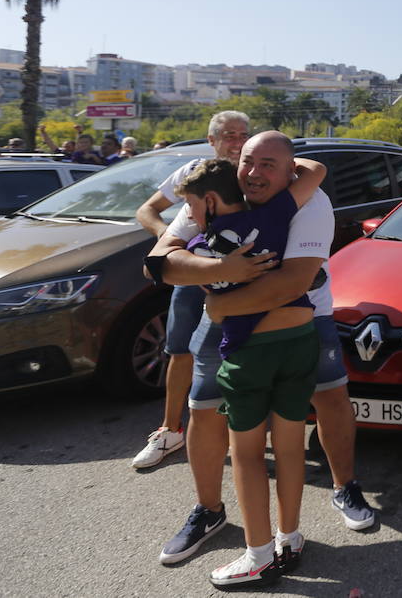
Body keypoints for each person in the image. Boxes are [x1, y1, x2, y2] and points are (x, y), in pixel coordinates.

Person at [147, 131, 378, 572]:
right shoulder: (217, 194)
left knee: (328, 399)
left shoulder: (309, 202)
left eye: (268, 165)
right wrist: (220, 269)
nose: (254, 173)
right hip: (228, 326)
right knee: (204, 409)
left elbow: (291, 283)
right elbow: (162, 260)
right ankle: (209, 511)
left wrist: (218, 301)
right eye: (248, 161)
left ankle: (342, 487)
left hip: (299, 321)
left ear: (290, 171)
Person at [171, 154, 325, 587]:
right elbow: (314, 171)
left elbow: (179, 276)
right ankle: (289, 538)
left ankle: (258, 556)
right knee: (292, 446)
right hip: (299, 340)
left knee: (247, 454)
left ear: (213, 200)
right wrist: (276, 160)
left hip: (250, 352)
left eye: (193, 207)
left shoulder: (205, 248)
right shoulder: (278, 211)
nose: (191, 217)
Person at [131, 110, 251, 470]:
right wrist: (170, 241)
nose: (238, 141)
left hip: (240, 277)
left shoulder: (253, 173)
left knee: (242, 353)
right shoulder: (192, 172)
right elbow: (147, 210)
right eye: (229, 135)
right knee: (180, 350)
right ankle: (169, 430)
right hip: (192, 277)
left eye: (243, 134)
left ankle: (241, 431)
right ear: (211, 140)